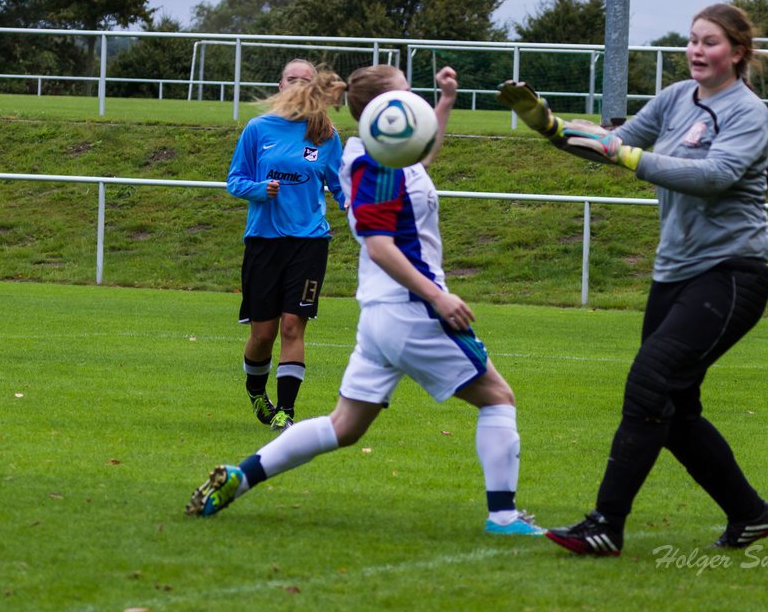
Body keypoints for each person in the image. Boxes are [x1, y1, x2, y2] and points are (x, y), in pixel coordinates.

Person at [187, 64, 544, 537]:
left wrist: (447, 102)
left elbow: (423, 151)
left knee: (344, 426)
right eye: (405, 92)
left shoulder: (380, 153)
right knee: (498, 398)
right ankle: (504, 517)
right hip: (411, 310)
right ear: (384, 109)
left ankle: (241, 476)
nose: (412, 100)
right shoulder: (375, 165)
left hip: (381, 316)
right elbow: (379, 245)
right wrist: (438, 297)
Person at [496, 3, 768, 556]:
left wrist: (627, 154)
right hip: (675, 273)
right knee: (672, 411)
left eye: (711, 43)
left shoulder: (747, 112)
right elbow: (615, 143)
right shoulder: (677, 97)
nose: (697, 51)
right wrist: (551, 127)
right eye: (692, 40)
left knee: (650, 385)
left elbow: (715, 176)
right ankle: (750, 513)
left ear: (738, 53)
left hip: (731, 273)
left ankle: (606, 523)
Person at [225, 59, 346, 432]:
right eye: (291, 79)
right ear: (280, 86)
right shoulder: (258, 129)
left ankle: (286, 410)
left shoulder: (325, 135)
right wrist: (260, 190)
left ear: (314, 89)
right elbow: (235, 181)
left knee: (294, 326)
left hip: (309, 243)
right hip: (264, 242)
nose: (297, 84)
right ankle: (257, 392)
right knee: (264, 334)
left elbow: (343, 188)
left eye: (304, 80)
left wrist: (366, 212)